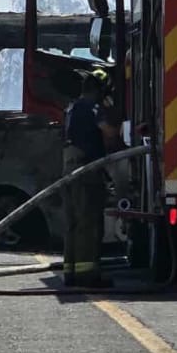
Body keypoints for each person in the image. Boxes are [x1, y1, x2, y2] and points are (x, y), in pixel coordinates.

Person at [62, 68, 117, 287]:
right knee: (89, 222)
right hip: (86, 170)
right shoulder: (93, 106)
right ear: (100, 91)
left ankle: (71, 272)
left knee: (72, 223)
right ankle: (87, 275)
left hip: (68, 170)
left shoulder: (72, 107)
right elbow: (109, 132)